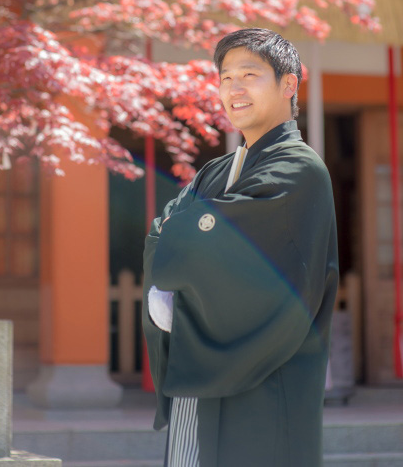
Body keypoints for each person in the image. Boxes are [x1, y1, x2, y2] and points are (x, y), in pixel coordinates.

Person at [142, 27, 338, 467]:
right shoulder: (217, 170)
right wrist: (182, 243)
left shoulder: (300, 168)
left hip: (270, 376)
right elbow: (163, 235)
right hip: (198, 365)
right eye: (226, 77)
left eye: (249, 74)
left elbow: (182, 237)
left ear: (289, 84)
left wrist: (182, 248)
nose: (234, 88)